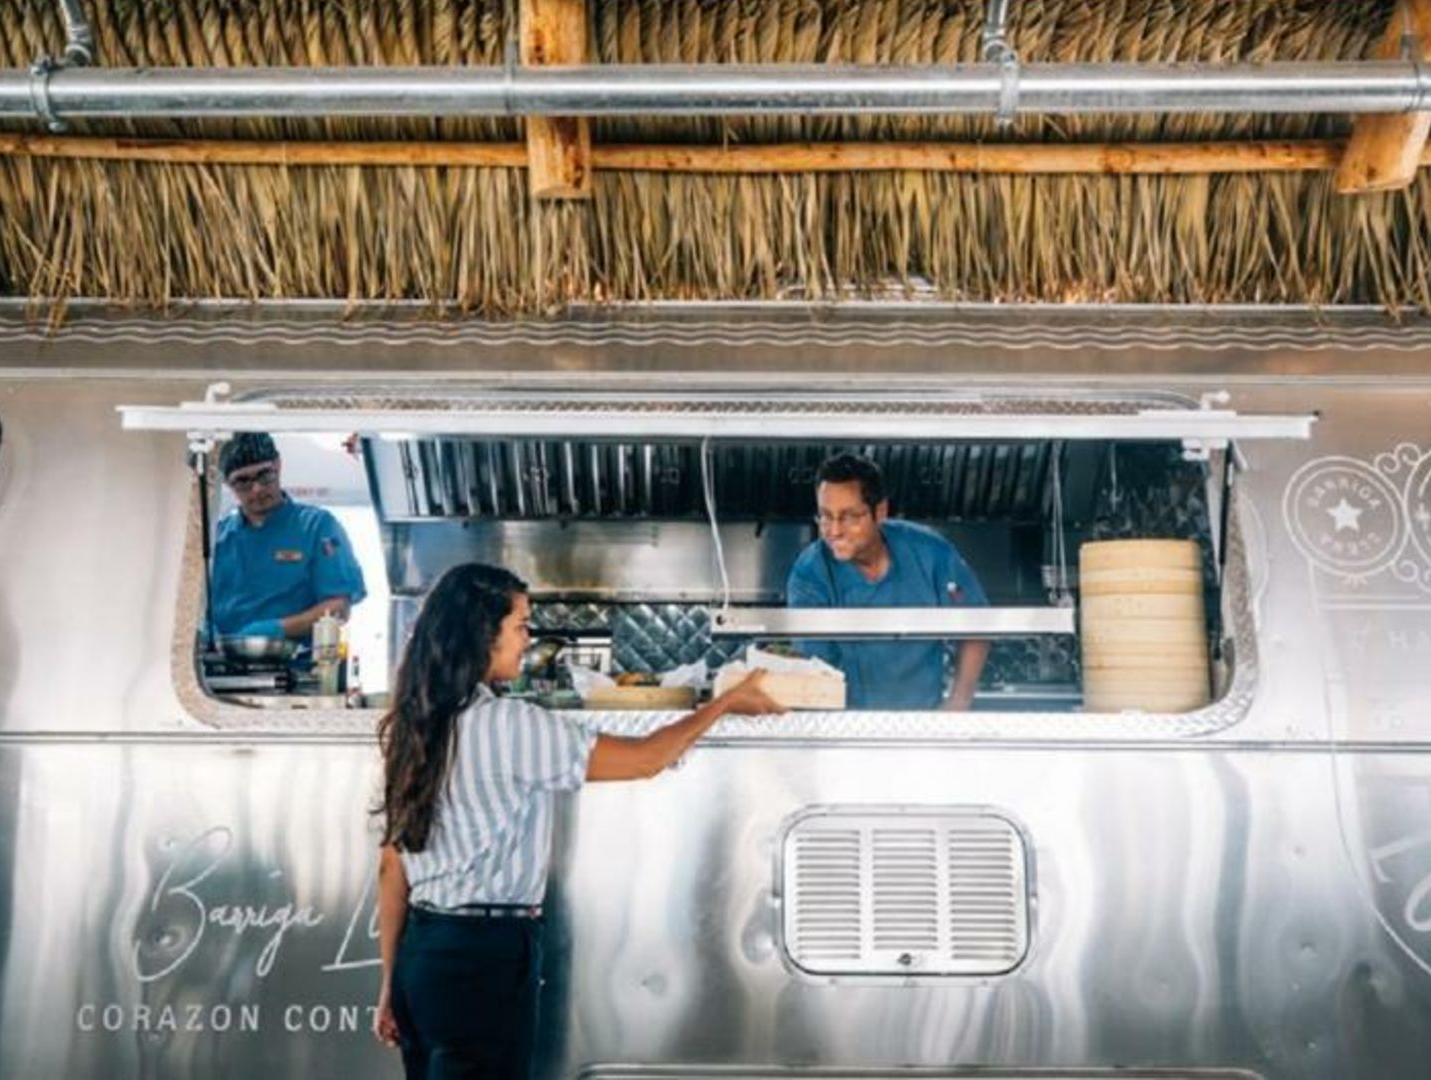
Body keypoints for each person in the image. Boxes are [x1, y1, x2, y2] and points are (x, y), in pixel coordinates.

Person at [371, 562, 782, 1078]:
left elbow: (392, 868)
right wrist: (722, 705)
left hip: (423, 956)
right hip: (484, 960)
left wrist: (390, 981)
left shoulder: (414, 726)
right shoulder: (509, 725)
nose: (527, 640)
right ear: (483, 633)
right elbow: (645, 759)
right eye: (520, 626)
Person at [786, 451, 991, 711]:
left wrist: (958, 704)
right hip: (843, 728)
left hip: (924, 724)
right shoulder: (809, 575)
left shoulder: (930, 553)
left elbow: (977, 625)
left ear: (880, 511)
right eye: (826, 516)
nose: (834, 530)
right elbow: (814, 673)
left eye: (849, 517)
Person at [206, 431, 363, 642]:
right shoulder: (218, 539)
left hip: (297, 667)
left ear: (278, 465)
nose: (257, 489)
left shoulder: (317, 527)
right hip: (223, 666)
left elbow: (338, 608)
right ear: (226, 483)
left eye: (264, 476)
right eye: (243, 482)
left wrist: (277, 629)